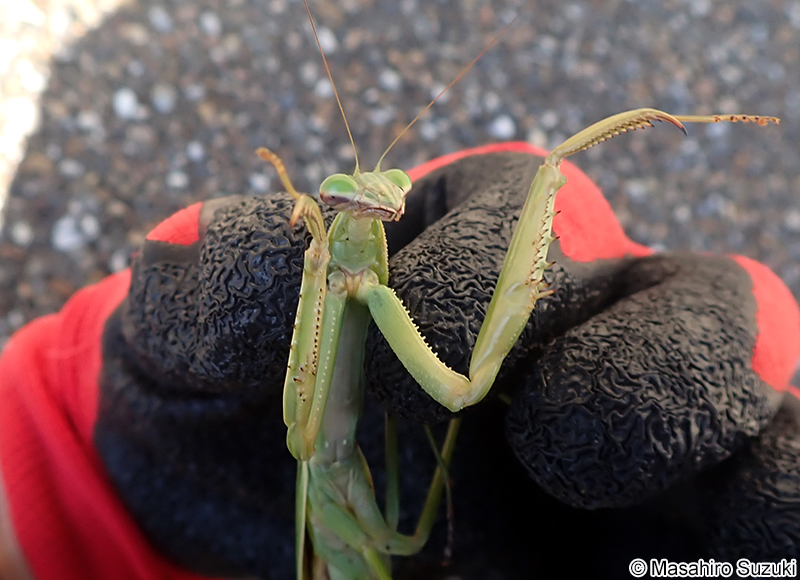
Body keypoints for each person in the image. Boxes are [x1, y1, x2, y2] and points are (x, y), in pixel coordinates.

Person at [1, 143, 798, 580]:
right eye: (352, 200)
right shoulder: (321, 274)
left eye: (380, 199)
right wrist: (67, 442)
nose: (370, 208)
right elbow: (319, 424)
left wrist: (56, 449)